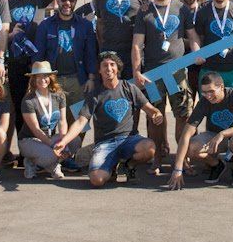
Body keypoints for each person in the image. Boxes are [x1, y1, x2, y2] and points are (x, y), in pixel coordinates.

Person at [54, 52, 162, 187]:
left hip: (129, 139)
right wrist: (63, 142)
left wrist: (157, 114)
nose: (109, 68)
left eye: (112, 65)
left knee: (149, 148)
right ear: (99, 70)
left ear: (118, 68)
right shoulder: (94, 94)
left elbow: (150, 109)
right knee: (97, 180)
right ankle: (110, 167)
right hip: (104, 143)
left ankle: (128, 165)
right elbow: (81, 121)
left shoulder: (130, 88)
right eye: (104, 65)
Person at [4, 0, 69, 157]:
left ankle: (37, 148)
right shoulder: (4, 2)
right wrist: (9, 35)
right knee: (18, 107)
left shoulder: (37, 0)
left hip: (35, 64)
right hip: (14, 62)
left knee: (37, 106)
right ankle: (24, 151)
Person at [132, 0, 191, 164]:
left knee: (183, 115)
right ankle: (156, 158)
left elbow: (192, 36)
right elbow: (137, 44)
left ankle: (183, 159)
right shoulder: (144, 11)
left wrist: (199, 53)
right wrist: (136, 71)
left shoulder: (181, 8)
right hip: (153, 74)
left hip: (177, 72)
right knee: (155, 116)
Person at [166, 70, 233, 187]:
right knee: (191, 148)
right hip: (214, 136)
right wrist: (177, 169)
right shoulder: (204, 102)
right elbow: (186, 134)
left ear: (221, 87)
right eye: (204, 92)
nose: (208, 96)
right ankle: (217, 165)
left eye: (212, 91)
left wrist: (223, 134)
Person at [35, 0, 99, 110]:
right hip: (53, 80)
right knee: (53, 120)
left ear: (75, 2)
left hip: (78, 80)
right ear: (57, 0)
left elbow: (91, 54)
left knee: (79, 119)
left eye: (71, 0)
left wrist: (91, 78)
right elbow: (38, 54)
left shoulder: (85, 25)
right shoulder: (45, 25)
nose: (67, 3)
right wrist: (40, 78)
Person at [19, 61, 73, 179]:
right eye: (38, 76)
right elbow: (36, 130)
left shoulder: (59, 95)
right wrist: (54, 146)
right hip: (30, 140)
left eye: (45, 76)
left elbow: (62, 121)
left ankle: (49, 163)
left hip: (50, 138)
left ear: (50, 77)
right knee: (52, 154)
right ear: (33, 79)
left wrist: (63, 142)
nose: (42, 79)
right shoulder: (28, 100)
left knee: (75, 141)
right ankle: (33, 162)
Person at [89, 0, 140, 77]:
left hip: (133, 49)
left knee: (134, 86)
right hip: (112, 51)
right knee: (113, 85)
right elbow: (100, 24)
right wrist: (103, 48)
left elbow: (148, 15)